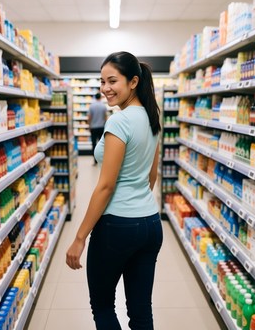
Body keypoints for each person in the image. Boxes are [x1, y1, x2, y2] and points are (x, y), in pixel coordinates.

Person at [66, 51, 163, 330]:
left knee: (103, 306)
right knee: (141, 312)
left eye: (112, 81)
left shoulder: (119, 122)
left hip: (116, 228)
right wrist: (140, 203)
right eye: (102, 81)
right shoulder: (151, 117)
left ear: (133, 82)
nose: (105, 88)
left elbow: (106, 186)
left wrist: (80, 237)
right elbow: (151, 175)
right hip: (151, 225)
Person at [88, 92, 107, 165]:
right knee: (102, 144)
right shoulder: (103, 106)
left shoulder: (92, 106)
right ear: (100, 98)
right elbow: (105, 117)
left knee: (93, 144)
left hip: (93, 127)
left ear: (95, 97)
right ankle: (102, 160)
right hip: (101, 127)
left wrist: (89, 126)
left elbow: (89, 117)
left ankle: (95, 161)